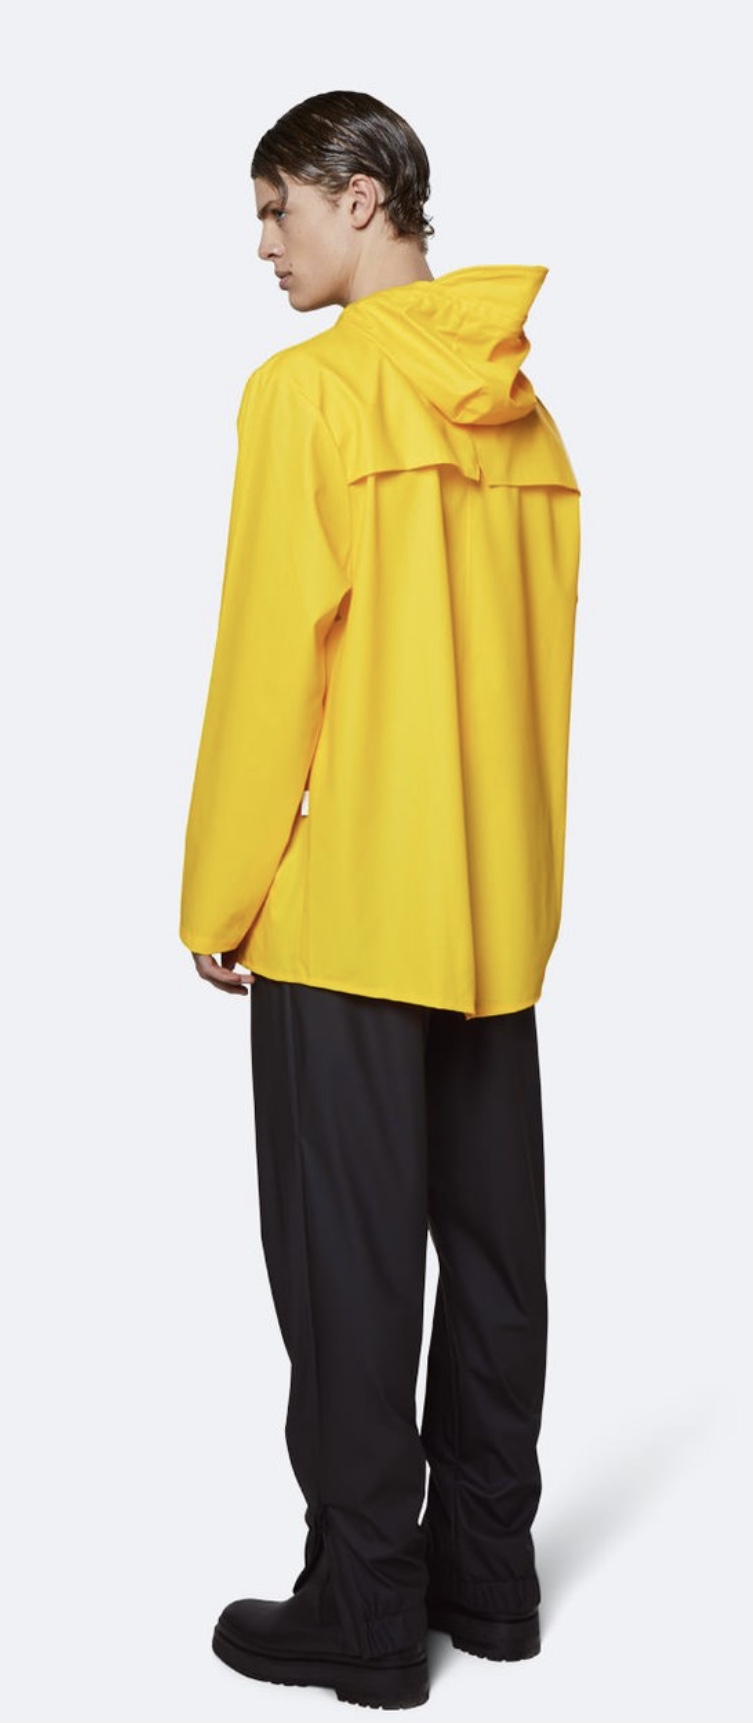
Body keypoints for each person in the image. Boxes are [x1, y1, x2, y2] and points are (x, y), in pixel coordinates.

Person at [179, 89, 580, 1711]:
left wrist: (220, 892)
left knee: (346, 1270)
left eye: (275, 209)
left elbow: (270, 660)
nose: (263, 246)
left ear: (359, 196)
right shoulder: (525, 419)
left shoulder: (310, 394)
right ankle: (489, 1576)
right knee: (491, 1256)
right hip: (491, 913)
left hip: (346, 907)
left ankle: (361, 1607)